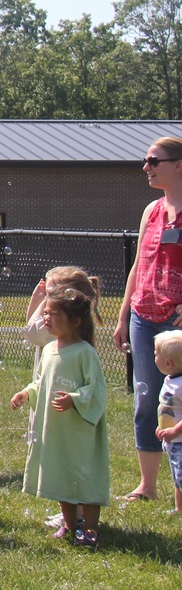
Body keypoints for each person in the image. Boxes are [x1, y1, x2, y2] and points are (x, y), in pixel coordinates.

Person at [10, 283, 109, 548]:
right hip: (56, 429)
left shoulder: (85, 353)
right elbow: (42, 382)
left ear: (76, 321)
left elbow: (96, 389)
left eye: (53, 314)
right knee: (62, 476)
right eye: (46, 313)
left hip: (79, 432)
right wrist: (27, 393)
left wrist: (75, 400)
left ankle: (89, 530)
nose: (46, 318)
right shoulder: (50, 349)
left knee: (83, 478)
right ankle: (69, 525)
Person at [113, 136, 182, 503]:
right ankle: (147, 485)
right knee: (147, 400)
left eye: (154, 161)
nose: (147, 167)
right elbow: (140, 263)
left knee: (180, 402)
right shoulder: (151, 211)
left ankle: (179, 488)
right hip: (144, 317)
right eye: (146, 160)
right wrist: (124, 315)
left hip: (178, 322)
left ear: (179, 164)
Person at [154, 330, 182, 515]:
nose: (153, 357)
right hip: (173, 441)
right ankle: (179, 509)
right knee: (176, 476)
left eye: (156, 354)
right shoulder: (170, 380)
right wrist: (162, 427)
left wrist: (175, 431)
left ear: (168, 363)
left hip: (179, 440)